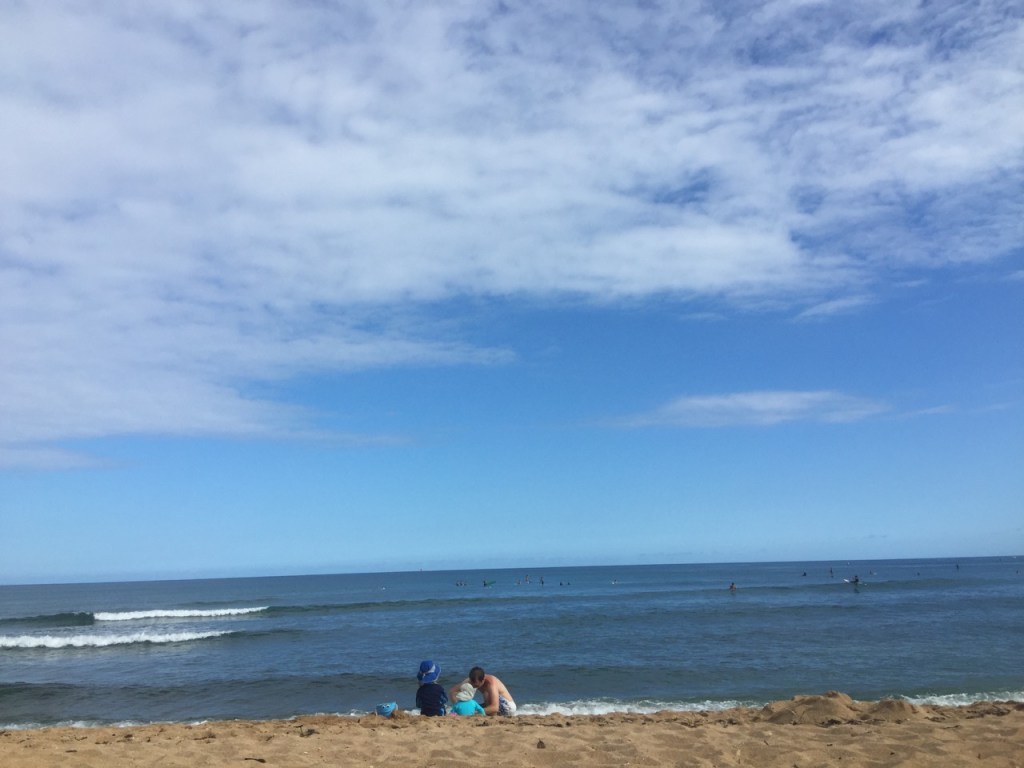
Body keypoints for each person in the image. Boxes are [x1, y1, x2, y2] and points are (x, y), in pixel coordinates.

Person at [451, 666, 516, 716]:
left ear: (483, 680)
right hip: (493, 704)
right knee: (470, 705)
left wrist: (474, 713)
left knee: (486, 695)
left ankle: (492, 717)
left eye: (476, 686)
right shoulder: (470, 680)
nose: (474, 687)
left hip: (508, 707)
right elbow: (453, 692)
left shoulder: (491, 683)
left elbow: (495, 708)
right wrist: (459, 707)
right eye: (472, 685)